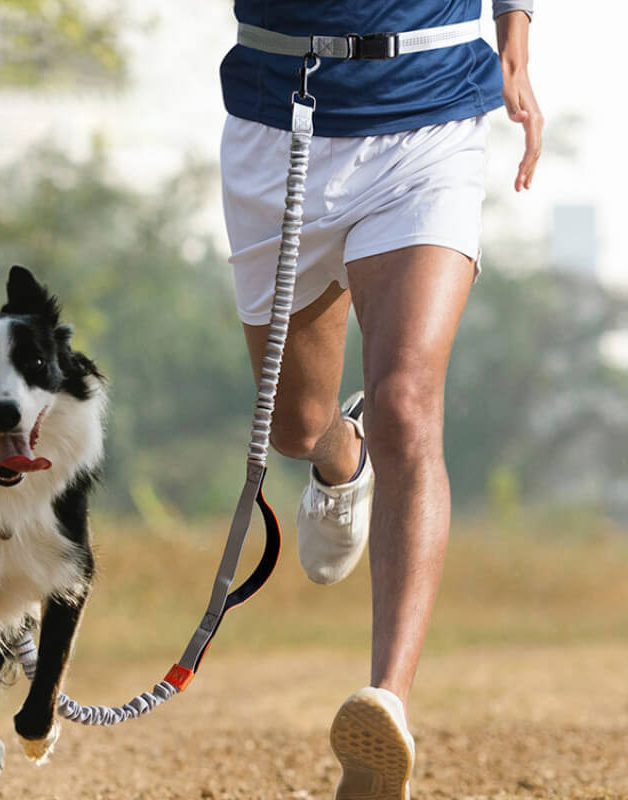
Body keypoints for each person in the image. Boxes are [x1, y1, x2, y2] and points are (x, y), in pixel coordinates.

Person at [218, 2, 542, 798]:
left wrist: (517, 35)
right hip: (277, 115)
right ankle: (340, 457)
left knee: (405, 401)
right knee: (295, 424)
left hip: (431, 115)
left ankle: (384, 708)